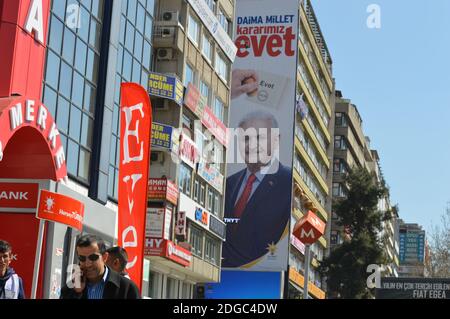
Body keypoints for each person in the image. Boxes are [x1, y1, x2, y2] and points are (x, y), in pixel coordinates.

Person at [222, 111, 292, 268]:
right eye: (246, 138)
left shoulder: (288, 182)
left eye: (259, 137)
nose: (251, 145)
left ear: (276, 140)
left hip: (264, 273)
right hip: (223, 273)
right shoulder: (229, 183)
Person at [60, 234, 140, 299]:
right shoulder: (69, 290)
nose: (88, 264)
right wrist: (77, 294)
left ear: (105, 257)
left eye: (93, 257)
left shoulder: (127, 289)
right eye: (82, 258)